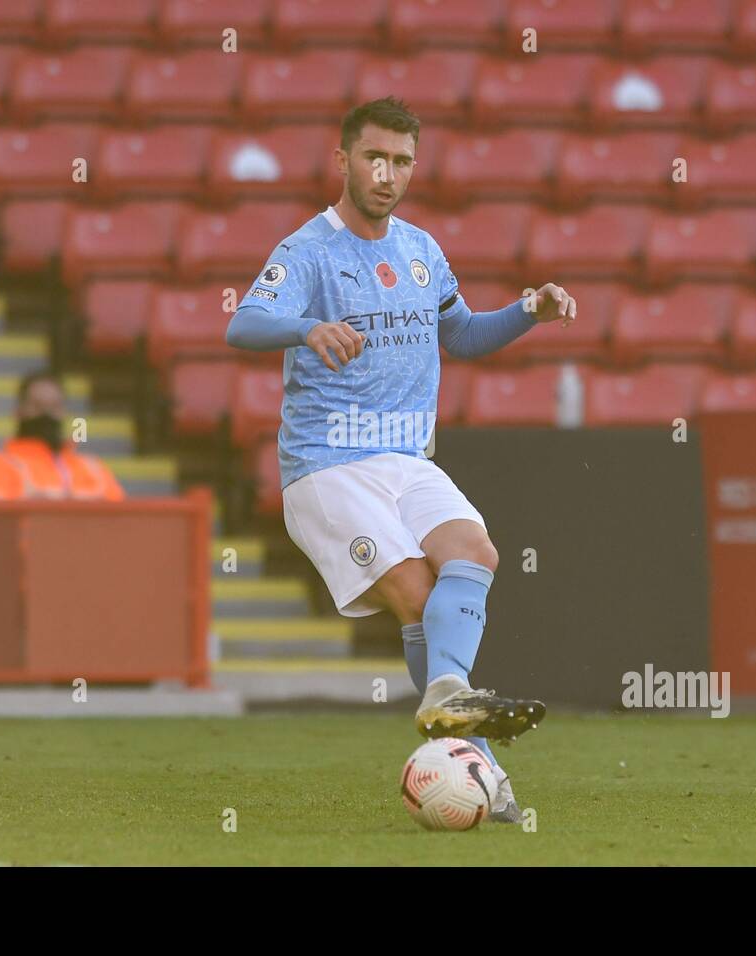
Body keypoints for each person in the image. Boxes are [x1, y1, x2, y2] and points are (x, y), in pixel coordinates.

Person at [225, 97, 578, 822]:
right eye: (374, 157)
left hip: (406, 456)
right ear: (343, 159)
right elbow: (243, 323)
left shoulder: (421, 250)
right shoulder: (307, 251)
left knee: (476, 551)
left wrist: (529, 313)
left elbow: (467, 336)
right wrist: (308, 327)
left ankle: (450, 712)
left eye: (403, 161)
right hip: (327, 465)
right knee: (418, 598)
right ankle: (482, 763)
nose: (387, 174)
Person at [0, 370, 124, 501]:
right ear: (18, 413)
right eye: (37, 406)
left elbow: (121, 522)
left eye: (54, 406)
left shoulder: (92, 469)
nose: (46, 414)